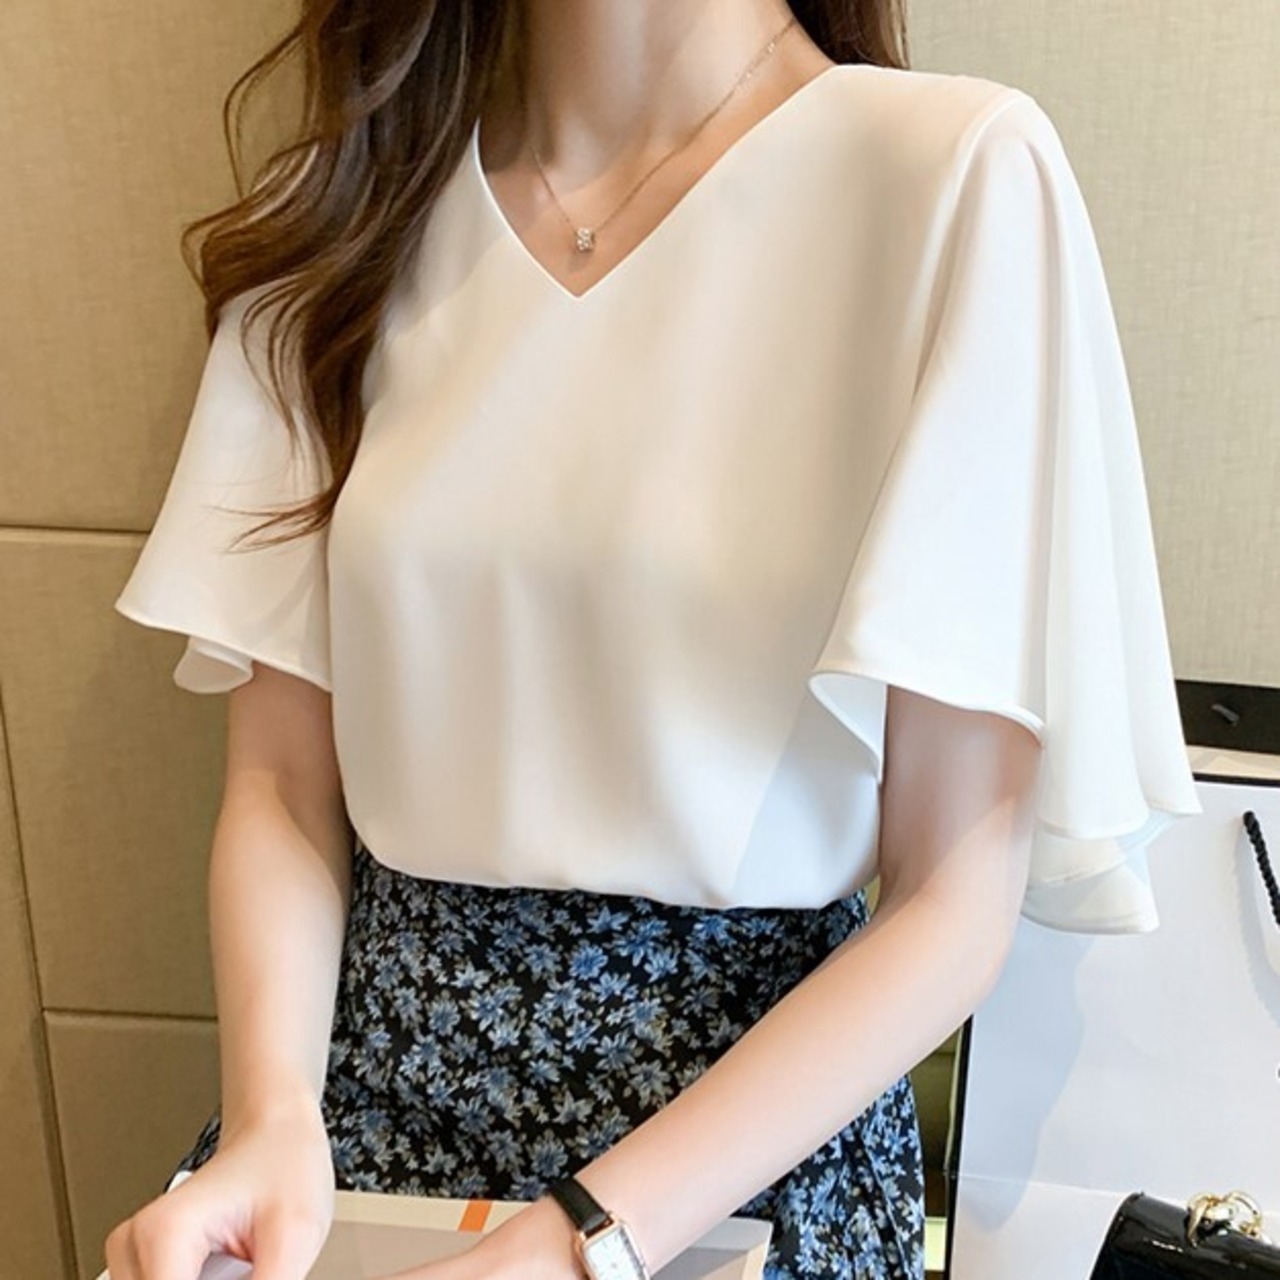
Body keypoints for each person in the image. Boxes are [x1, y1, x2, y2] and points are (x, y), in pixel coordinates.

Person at [103, 1, 1203, 1277]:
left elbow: (952, 896)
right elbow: (283, 782)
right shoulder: (352, 204)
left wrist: (572, 1247)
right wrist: (267, 1122)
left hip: (743, 1158)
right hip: (353, 1121)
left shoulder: (953, 176)